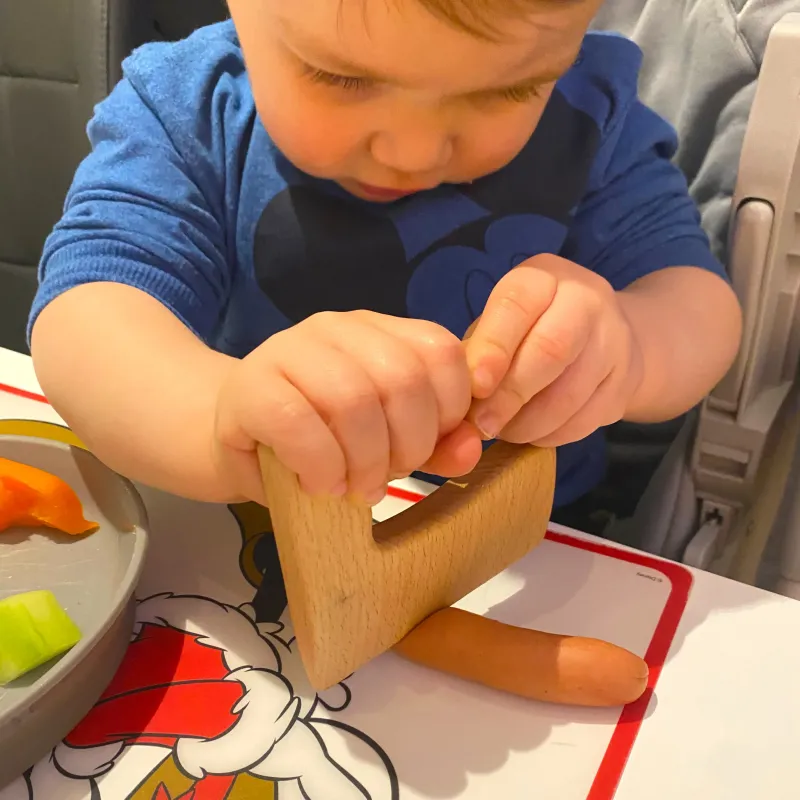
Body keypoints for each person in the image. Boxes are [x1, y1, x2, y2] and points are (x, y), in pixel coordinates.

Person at [28, 0, 742, 524]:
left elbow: (698, 305)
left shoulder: (596, 118)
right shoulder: (190, 112)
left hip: (532, 545)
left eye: (508, 89)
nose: (413, 152)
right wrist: (220, 413)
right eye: (338, 77)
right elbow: (88, 316)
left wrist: (632, 345)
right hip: (259, 522)